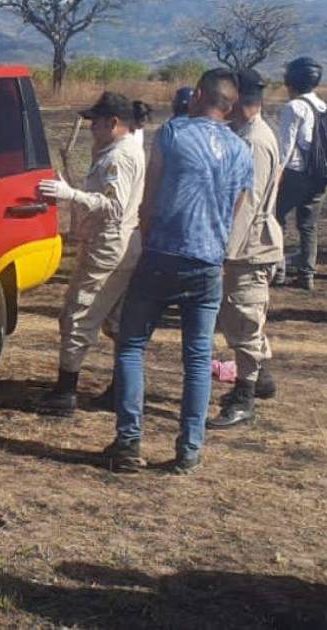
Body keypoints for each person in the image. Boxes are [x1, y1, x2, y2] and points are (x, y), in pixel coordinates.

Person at [105, 68, 253, 475]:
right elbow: (237, 206)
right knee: (197, 356)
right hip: (208, 260)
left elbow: (149, 197)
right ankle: (189, 448)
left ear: (199, 94)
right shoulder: (241, 150)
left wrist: (152, 236)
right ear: (230, 105)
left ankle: (130, 440)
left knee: (132, 344)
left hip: (164, 251)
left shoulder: (173, 133)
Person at [36, 93, 146, 417]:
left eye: (96, 122)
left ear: (114, 123)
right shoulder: (127, 150)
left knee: (78, 313)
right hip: (124, 242)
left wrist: (71, 195)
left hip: (108, 242)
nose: (91, 128)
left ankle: (66, 391)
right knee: (116, 320)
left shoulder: (118, 157)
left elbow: (114, 206)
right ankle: (121, 388)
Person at [208, 69, 284, 429]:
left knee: (244, 319)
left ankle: (244, 397)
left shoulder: (253, 141)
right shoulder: (244, 134)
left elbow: (247, 205)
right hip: (248, 245)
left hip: (248, 248)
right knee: (241, 317)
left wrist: (224, 253)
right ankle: (261, 377)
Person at [274, 57, 327, 291]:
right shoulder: (326, 108)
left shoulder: (293, 107)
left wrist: (277, 176)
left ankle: (277, 270)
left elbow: (286, 147)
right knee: (308, 226)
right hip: (320, 175)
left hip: (295, 174)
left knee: (276, 218)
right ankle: (307, 273)